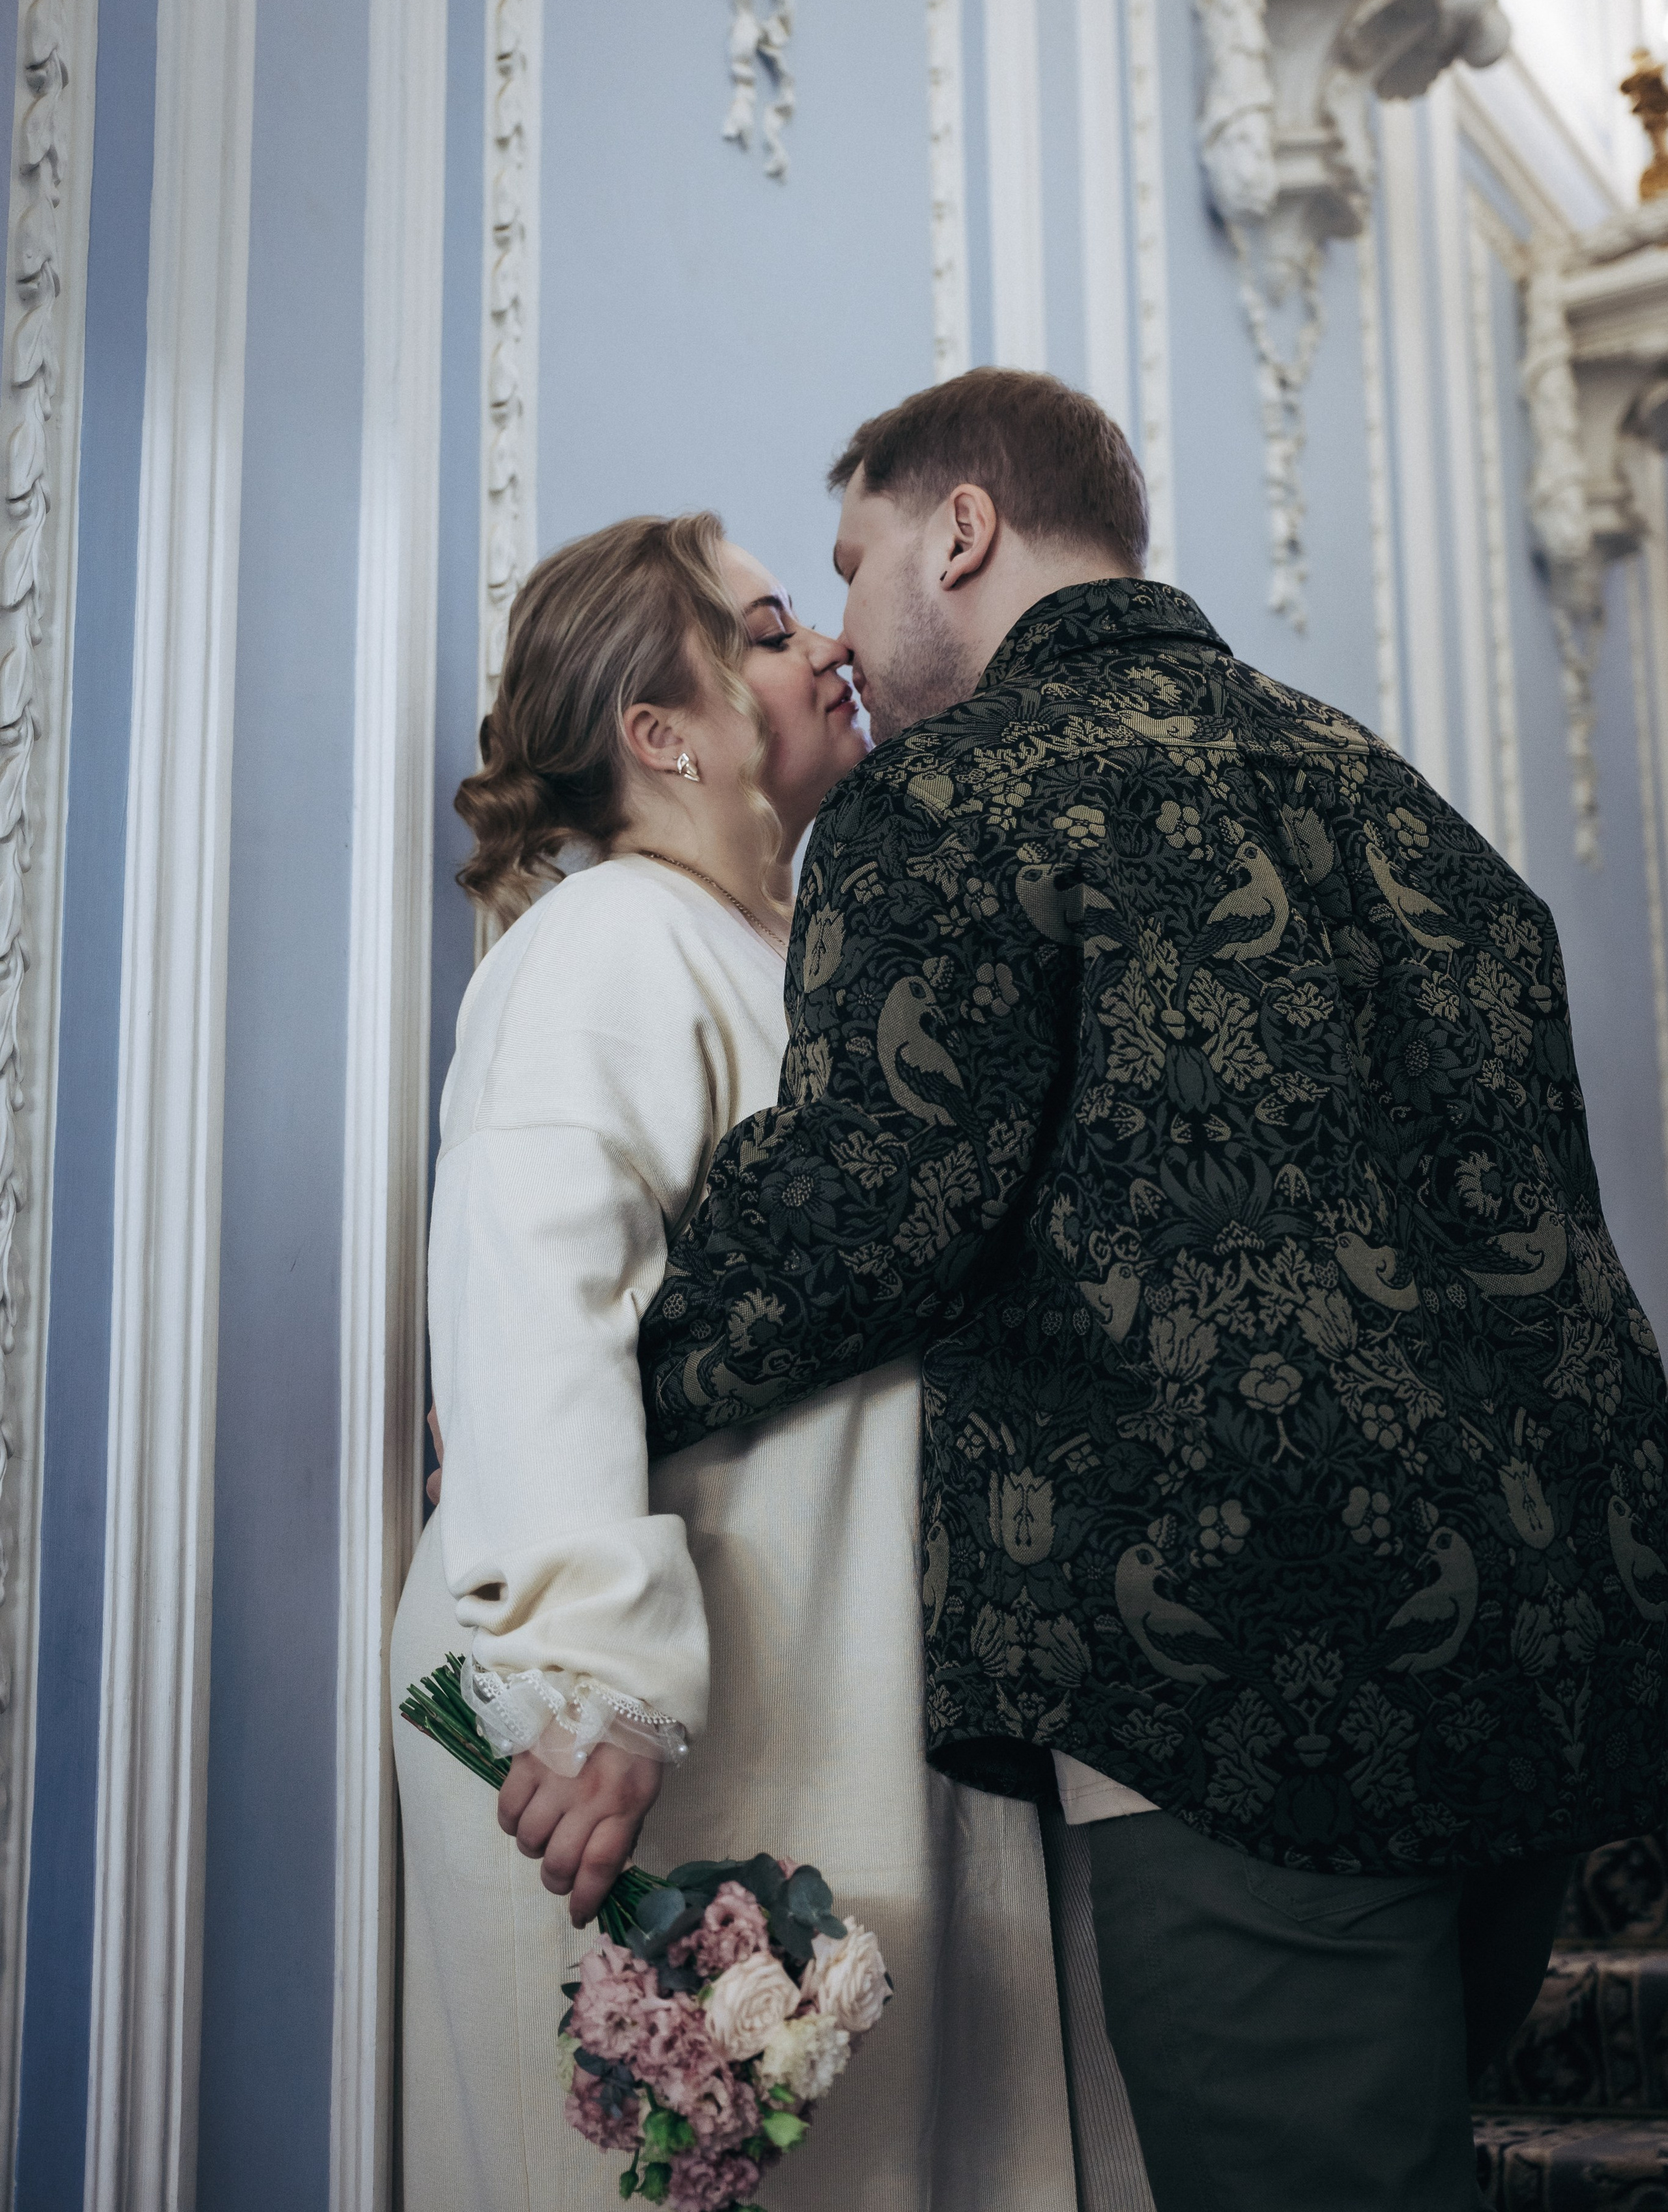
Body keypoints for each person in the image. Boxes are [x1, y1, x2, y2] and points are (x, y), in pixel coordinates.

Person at [640, 369, 1668, 2212]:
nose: (849, 630)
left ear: (960, 532)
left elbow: (864, 1209)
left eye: (858, 563)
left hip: (1253, 1686)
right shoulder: (1408, 804)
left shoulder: (946, 805)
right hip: (1570, 1652)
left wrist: (577, 1389)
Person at [390, 510, 1131, 2211]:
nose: (830, 651)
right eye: (775, 626)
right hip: (642, 1740)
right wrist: (596, 1680)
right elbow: (533, 1288)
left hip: (819, 1674)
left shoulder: (794, 951)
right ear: (668, 732)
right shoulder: (604, 942)